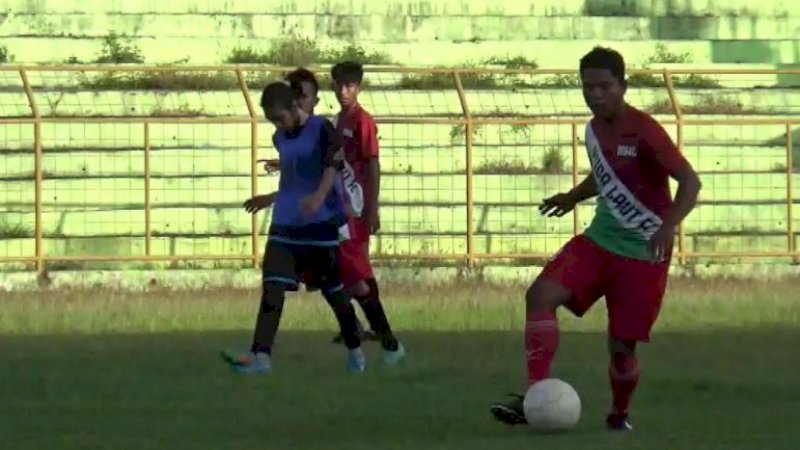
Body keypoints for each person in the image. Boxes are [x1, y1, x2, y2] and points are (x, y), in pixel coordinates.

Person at [489, 47, 702, 430]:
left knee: (622, 348)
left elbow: (690, 181)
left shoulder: (645, 130)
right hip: (598, 241)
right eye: (588, 87)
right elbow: (607, 177)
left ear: (623, 85)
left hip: (642, 255)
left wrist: (668, 225)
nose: (596, 95)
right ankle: (536, 395)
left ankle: (619, 416)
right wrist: (573, 197)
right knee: (540, 297)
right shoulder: (592, 129)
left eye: (604, 86)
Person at [220, 81, 366, 374]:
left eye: (280, 117)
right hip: (285, 224)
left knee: (334, 291)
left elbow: (331, 168)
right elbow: (293, 178)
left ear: (294, 107)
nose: (277, 125)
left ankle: (356, 350)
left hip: (319, 225)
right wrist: (271, 199)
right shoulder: (280, 138)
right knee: (272, 287)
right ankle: (261, 358)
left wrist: (319, 197)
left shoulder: (322, 129)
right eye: (272, 120)